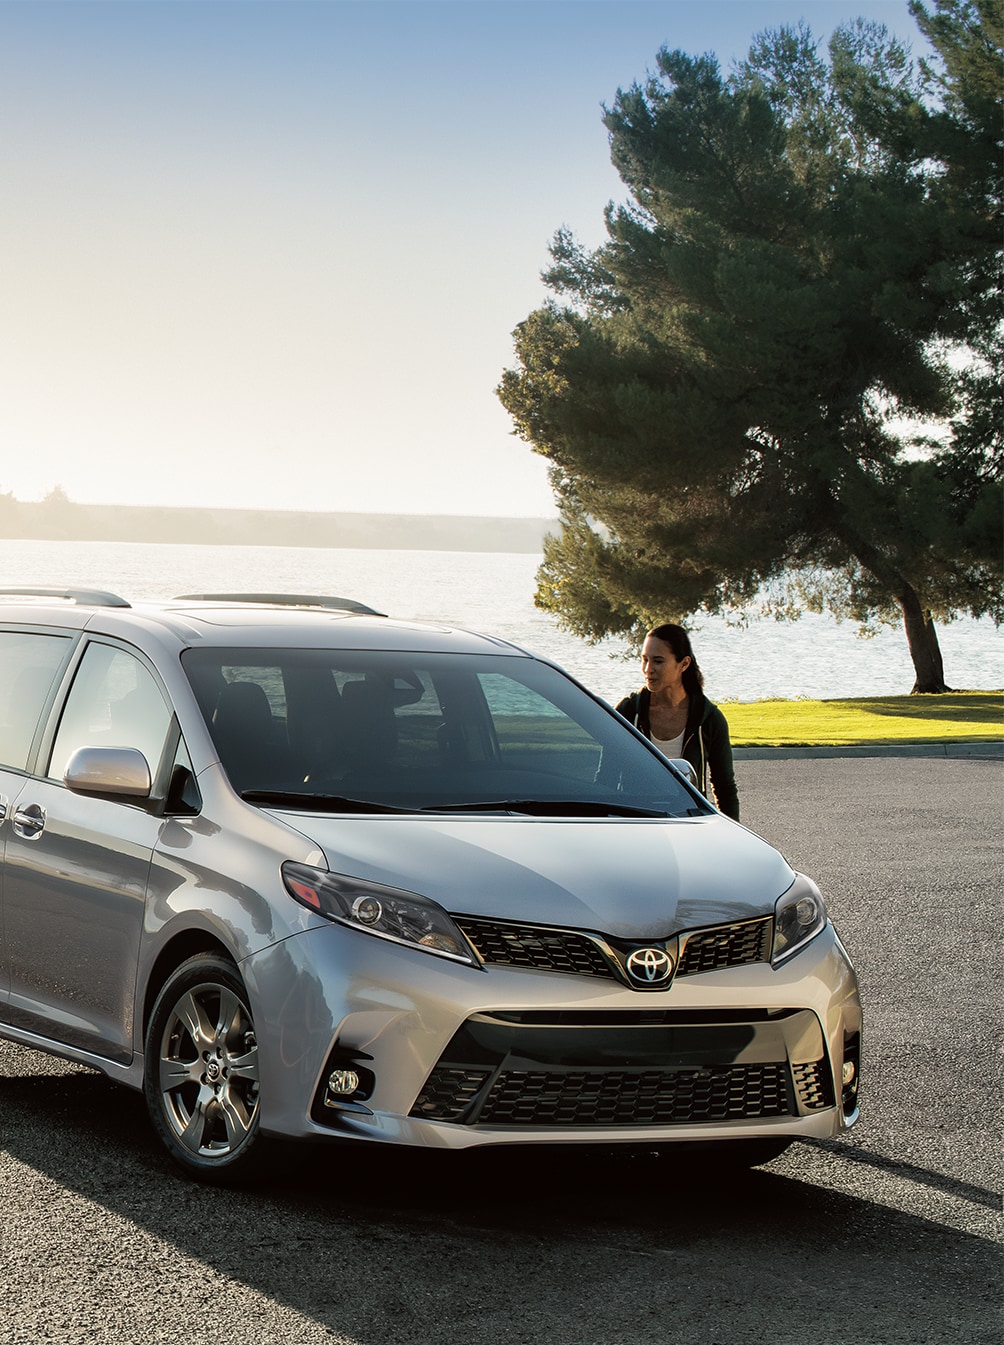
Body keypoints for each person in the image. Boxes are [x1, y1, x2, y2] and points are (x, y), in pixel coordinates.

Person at [616, 623, 739, 820]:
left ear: (684, 664)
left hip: (688, 823)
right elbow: (604, 777)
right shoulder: (628, 712)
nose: (648, 669)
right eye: (644, 660)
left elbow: (725, 789)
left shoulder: (709, 719)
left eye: (658, 661)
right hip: (636, 821)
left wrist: (734, 839)